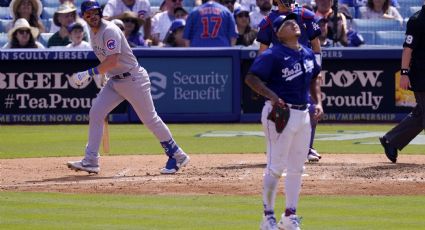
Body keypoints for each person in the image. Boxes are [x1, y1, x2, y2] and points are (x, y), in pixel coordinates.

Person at [67, 0, 190, 174]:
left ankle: (177, 154)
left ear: (100, 13)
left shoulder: (109, 30)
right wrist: (104, 74)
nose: (92, 16)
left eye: (95, 12)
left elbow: (113, 60)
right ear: (83, 16)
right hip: (115, 80)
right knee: (96, 112)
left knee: (150, 120)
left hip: (133, 79)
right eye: (88, 14)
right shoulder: (92, 32)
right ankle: (91, 160)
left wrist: (89, 73)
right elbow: (108, 62)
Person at [245, 14, 323, 230]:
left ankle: (289, 216)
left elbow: (315, 78)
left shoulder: (307, 53)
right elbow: (251, 78)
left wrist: (318, 102)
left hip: (303, 115)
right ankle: (267, 217)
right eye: (287, 23)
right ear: (278, 33)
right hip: (280, 113)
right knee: (276, 167)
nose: (293, 23)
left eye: (294, 21)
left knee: (297, 168)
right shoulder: (272, 54)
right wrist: (271, 96)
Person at [256, 0, 323, 162]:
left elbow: (316, 45)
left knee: (310, 107)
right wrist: (261, 74)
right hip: (280, 69)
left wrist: (317, 69)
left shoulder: (306, 15)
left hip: (303, 66)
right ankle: (278, 147)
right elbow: (262, 50)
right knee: (280, 109)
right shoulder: (268, 21)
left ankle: (306, 147)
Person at [379, 5, 425, 163]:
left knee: (421, 113)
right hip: (421, 74)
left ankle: (391, 140)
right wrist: (404, 73)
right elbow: (408, 49)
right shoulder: (417, 20)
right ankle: (391, 140)